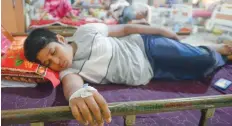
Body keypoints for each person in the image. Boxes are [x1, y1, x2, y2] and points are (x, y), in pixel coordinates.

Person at [24, 23, 231, 125]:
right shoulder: (69, 71)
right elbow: (73, 86)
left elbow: (124, 29)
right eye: (48, 63)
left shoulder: (85, 32)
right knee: (195, 73)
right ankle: (210, 48)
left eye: (53, 52)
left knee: (202, 59)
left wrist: (160, 30)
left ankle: (219, 49)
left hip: (147, 47)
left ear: (60, 39)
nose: (56, 62)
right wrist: (78, 95)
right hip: (150, 72)